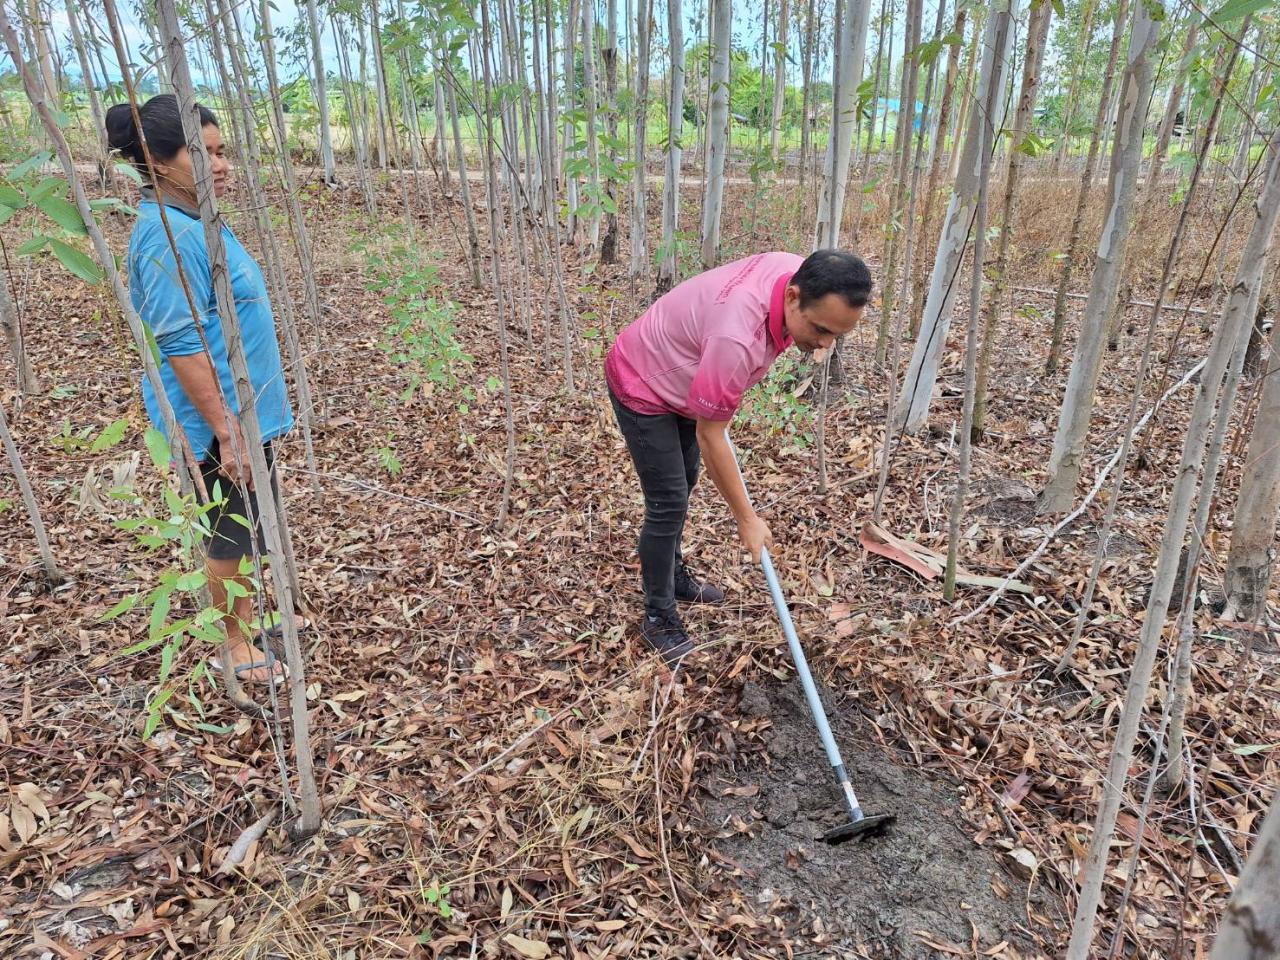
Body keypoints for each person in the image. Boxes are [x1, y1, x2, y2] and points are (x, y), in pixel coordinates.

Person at [106, 95, 294, 683]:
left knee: (244, 525)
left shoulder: (195, 219)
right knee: (229, 530)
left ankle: (246, 619)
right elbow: (182, 343)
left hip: (241, 411)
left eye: (221, 152)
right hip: (213, 421)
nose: (220, 165)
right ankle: (234, 647)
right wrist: (227, 428)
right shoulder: (167, 235)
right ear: (157, 161)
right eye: (202, 153)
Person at [606, 250, 872, 663]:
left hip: (685, 376)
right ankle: (658, 615)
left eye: (837, 334)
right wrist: (747, 520)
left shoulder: (796, 270)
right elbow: (712, 435)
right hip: (643, 379)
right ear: (794, 295)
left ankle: (671, 574)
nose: (825, 345)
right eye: (820, 329)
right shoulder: (735, 336)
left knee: (686, 479)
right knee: (668, 499)